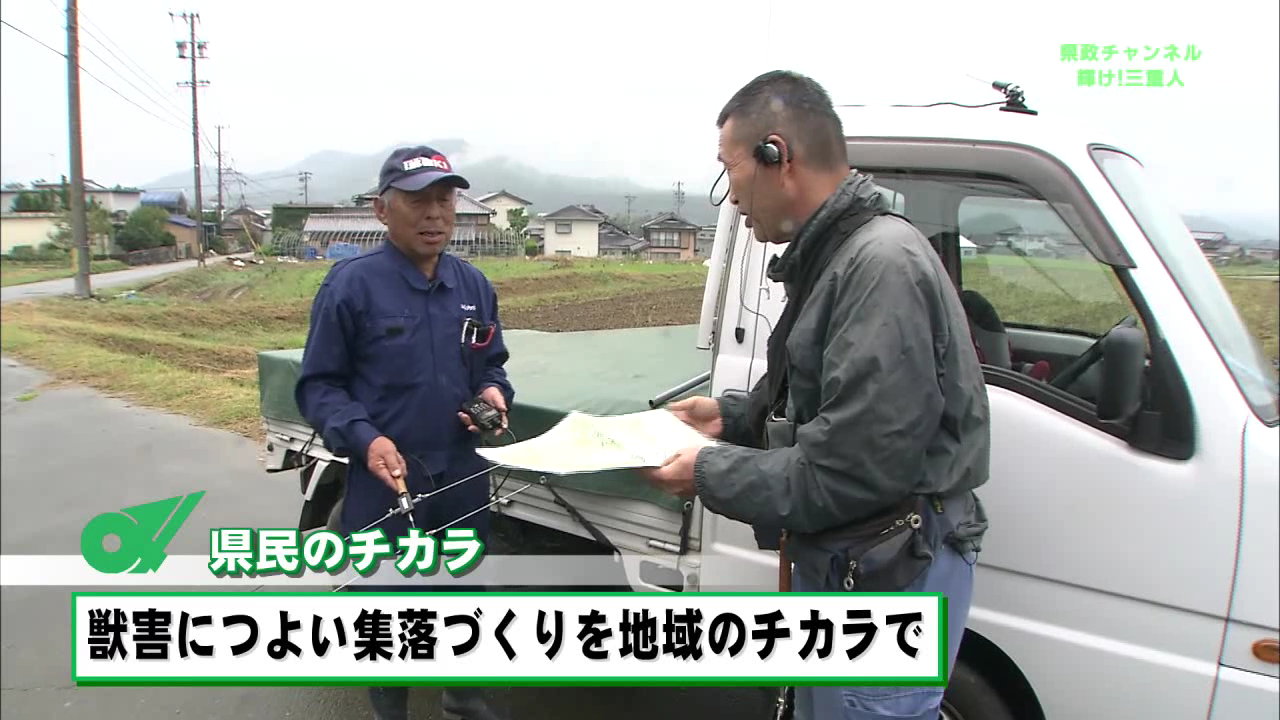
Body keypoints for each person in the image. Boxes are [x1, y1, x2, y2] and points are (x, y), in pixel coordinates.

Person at [640, 70, 991, 720]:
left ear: (777, 155)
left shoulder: (878, 266)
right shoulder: (841, 255)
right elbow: (822, 407)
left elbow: (850, 469)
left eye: (729, 168)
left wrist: (705, 470)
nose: (731, 196)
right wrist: (728, 418)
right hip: (859, 565)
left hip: (883, 578)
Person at [295, 145, 515, 720]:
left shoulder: (473, 285)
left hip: (463, 475)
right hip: (386, 479)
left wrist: (494, 393)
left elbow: (491, 363)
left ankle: (463, 698)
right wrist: (364, 438)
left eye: (445, 199)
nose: (435, 214)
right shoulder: (351, 287)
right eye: (418, 200)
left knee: (465, 597)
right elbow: (318, 387)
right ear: (382, 209)